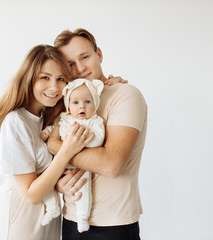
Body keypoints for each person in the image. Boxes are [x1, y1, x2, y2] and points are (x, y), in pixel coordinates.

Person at [47, 28, 148, 240]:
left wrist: (57, 146)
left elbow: (111, 165)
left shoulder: (125, 95)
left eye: (85, 57)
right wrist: (57, 183)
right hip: (71, 220)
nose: (80, 68)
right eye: (70, 64)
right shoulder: (65, 102)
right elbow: (44, 162)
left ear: (98, 54)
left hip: (113, 226)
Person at [0, 44, 94, 240]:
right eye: (45, 78)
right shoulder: (15, 121)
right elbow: (31, 193)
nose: (54, 87)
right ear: (29, 78)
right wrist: (65, 152)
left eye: (61, 79)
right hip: (20, 220)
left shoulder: (49, 117)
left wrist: (111, 84)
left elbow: (88, 100)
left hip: (47, 220)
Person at [40, 78, 105, 232]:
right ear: (68, 105)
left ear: (95, 104)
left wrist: (80, 139)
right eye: (75, 102)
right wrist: (46, 132)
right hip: (59, 163)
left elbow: (98, 139)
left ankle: (83, 217)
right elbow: (54, 127)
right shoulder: (65, 118)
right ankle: (52, 207)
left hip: (80, 165)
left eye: (88, 102)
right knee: (44, 179)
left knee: (83, 187)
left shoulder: (95, 121)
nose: (82, 106)